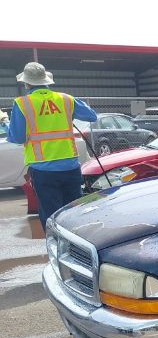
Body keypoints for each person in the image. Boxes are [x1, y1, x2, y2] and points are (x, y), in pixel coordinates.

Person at [7, 62, 98, 228]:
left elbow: (18, 137)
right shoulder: (66, 99)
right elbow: (92, 116)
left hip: (43, 169)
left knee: (51, 216)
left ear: (26, 83)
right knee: (73, 214)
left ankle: (56, 250)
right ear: (47, 81)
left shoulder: (22, 103)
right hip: (70, 166)